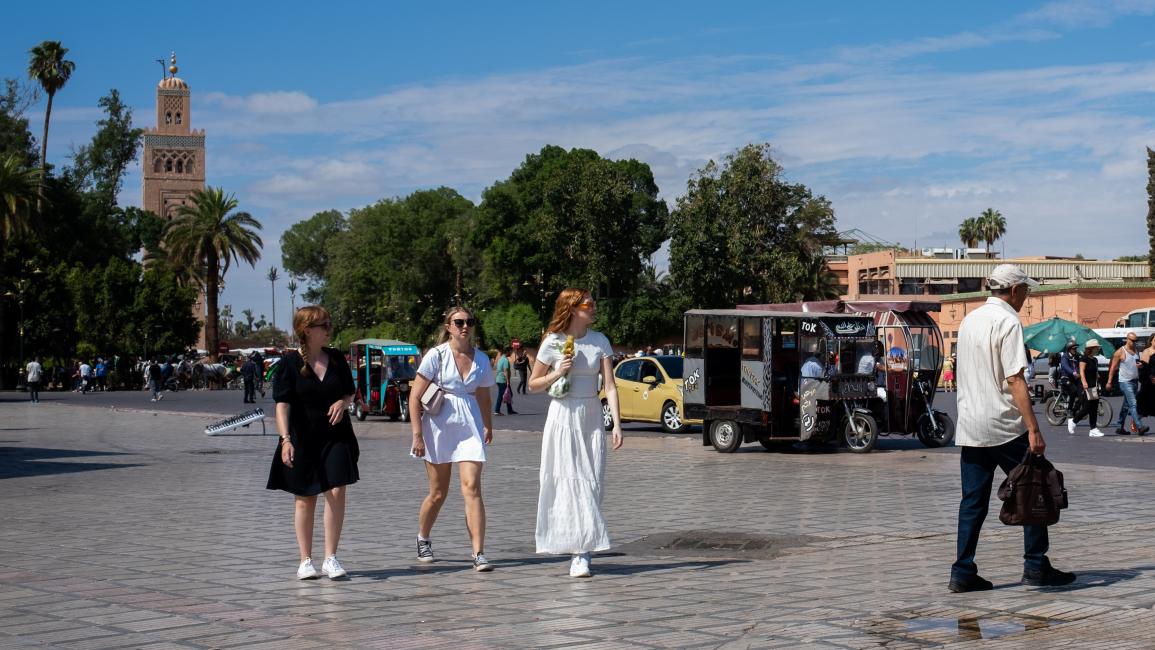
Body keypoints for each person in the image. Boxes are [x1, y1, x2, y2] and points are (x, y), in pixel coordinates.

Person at [949, 263, 1074, 593]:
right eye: (1026, 291)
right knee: (1034, 486)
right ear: (1015, 290)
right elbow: (1015, 378)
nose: (1026, 297)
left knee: (972, 502)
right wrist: (1034, 428)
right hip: (1004, 424)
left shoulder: (969, 320)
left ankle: (962, 571)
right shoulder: (1008, 321)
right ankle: (1035, 564)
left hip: (972, 425)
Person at [529, 289, 623, 578]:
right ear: (572, 308)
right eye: (588, 304)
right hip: (563, 414)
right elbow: (534, 384)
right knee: (572, 480)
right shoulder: (553, 342)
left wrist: (617, 424)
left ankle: (584, 546)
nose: (593, 309)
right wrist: (558, 372)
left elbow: (609, 385)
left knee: (591, 480)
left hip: (592, 415)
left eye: (594, 303)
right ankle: (579, 553)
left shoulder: (599, 341)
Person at [266, 306, 358, 581]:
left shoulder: (337, 359)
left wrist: (343, 403)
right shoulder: (289, 364)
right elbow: (282, 406)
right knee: (305, 498)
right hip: (302, 438)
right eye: (324, 325)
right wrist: (285, 440)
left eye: (329, 323)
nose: (329, 329)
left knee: (337, 491)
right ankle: (305, 560)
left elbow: (349, 393)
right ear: (308, 331)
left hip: (335, 436)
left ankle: (330, 557)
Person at [408, 307, 496, 571]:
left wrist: (488, 426)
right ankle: (423, 537)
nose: (465, 326)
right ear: (448, 326)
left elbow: (483, 395)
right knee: (438, 493)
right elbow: (415, 396)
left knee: (472, 487)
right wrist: (417, 435)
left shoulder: (481, 358)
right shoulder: (436, 356)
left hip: (469, 425)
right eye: (459, 322)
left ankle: (478, 553)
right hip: (438, 426)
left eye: (469, 321)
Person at [1106, 332, 1148, 435]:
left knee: (1126, 406)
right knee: (1133, 404)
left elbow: (1137, 364)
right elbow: (1113, 368)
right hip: (1125, 382)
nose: (1134, 343)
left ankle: (1119, 427)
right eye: (1133, 341)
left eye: (1136, 341)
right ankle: (1140, 426)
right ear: (1127, 339)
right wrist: (1109, 382)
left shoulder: (1136, 351)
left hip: (1134, 381)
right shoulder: (1120, 352)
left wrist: (1140, 366)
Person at [1077, 340, 1105, 437]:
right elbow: (1082, 371)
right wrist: (1084, 382)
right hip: (1086, 386)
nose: (1098, 349)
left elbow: (1095, 371)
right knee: (1087, 408)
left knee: (1094, 407)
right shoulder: (1083, 359)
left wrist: (1097, 375)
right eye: (1097, 347)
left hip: (1094, 386)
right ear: (1091, 348)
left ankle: (1093, 429)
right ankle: (1073, 420)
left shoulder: (1094, 360)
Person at [1059, 340, 1081, 433]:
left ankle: (1075, 410)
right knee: (1074, 391)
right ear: (1069, 349)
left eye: (1076, 348)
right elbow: (1065, 366)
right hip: (1066, 378)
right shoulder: (1065, 357)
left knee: (1082, 393)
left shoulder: (1076, 356)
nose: (1075, 350)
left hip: (1074, 378)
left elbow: (1080, 366)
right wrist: (1073, 372)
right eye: (1073, 348)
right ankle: (1069, 410)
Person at [1137, 333, 1155, 428]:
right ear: (1151, 340)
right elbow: (1144, 367)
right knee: (1145, 406)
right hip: (1149, 381)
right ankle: (1136, 421)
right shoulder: (1147, 351)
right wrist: (1151, 377)